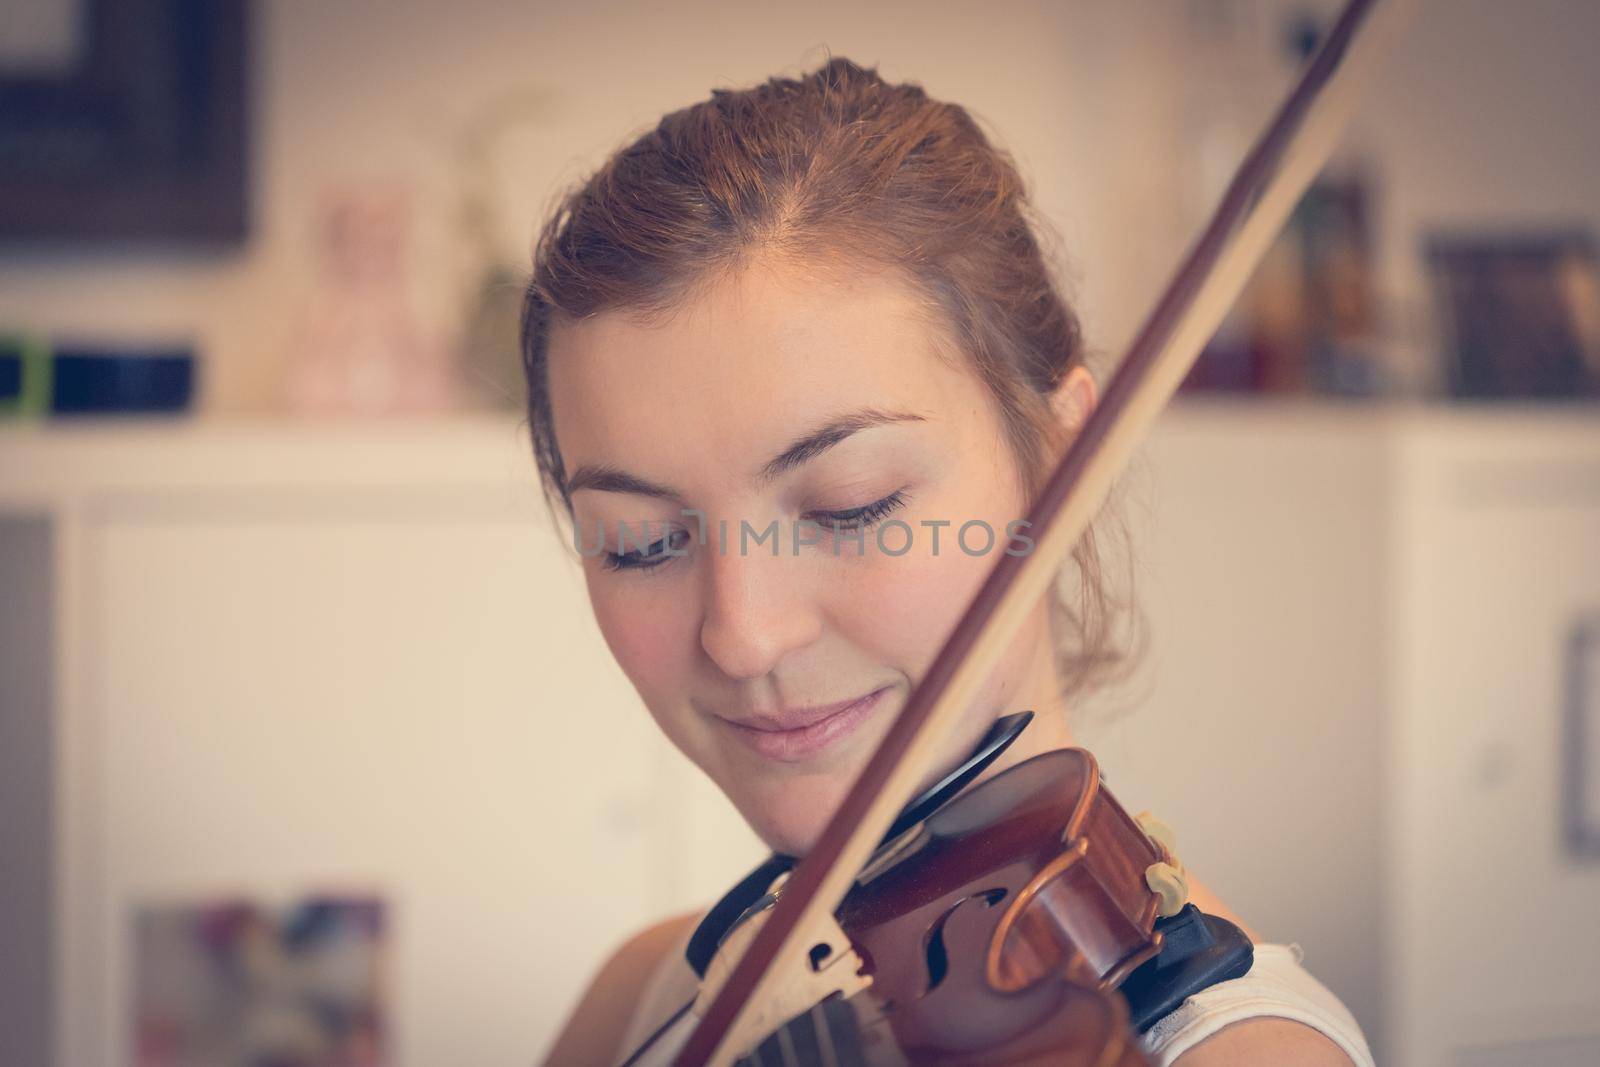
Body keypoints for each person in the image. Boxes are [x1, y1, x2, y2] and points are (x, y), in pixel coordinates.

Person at [521, 57, 1375, 1067]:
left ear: (1061, 462)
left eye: (852, 502)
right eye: (643, 542)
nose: (743, 632)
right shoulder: (649, 993)